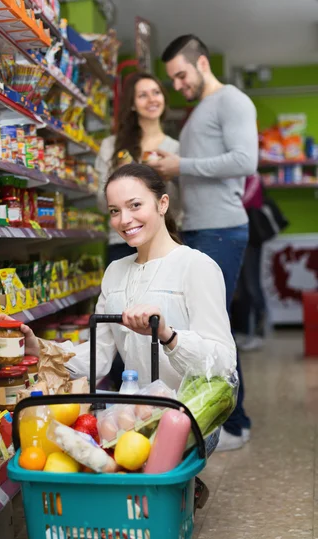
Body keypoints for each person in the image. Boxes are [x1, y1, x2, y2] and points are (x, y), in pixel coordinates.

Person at [0, 164, 237, 456]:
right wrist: (38, 347)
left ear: (162, 203)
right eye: (114, 211)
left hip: (188, 418)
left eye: (135, 205)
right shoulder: (115, 272)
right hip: (130, 415)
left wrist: (168, 336)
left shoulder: (197, 267)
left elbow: (222, 364)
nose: (125, 220)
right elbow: (99, 357)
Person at [150, 34, 259, 451]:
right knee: (204, 326)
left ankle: (237, 424)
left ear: (202, 63)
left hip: (221, 229)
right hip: (200, 230)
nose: (177, 85)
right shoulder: (200, 113)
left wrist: (181, 164)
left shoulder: (232, 100)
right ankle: (221, 419)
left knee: (215, 329)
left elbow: (245, 160)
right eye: (172, 79)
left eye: (180, 75)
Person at [95, 72, 181, 265]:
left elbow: (178, 207)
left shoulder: (175, 149)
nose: (152, 99)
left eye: (156, 92)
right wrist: (118, 180)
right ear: (132, 104)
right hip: (122, 241)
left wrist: (164, 179)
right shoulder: (111, 147)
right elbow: (102, 204)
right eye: (143, 95)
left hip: (164, 243)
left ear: (164, 99)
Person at [232, 174, 267, 351]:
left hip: (252, 238)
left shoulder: (253, 176)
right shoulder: (235, 176)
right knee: (242, 287)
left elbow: (244, 201)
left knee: (252, 284)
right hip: (239, 236)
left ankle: (259, 333)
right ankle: (245, 332)